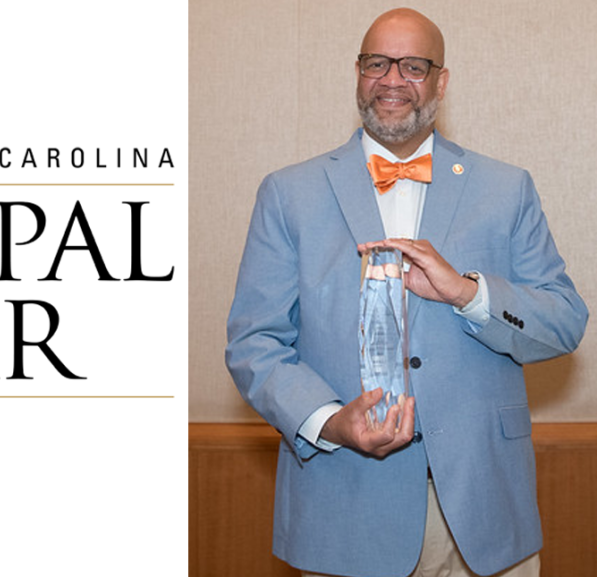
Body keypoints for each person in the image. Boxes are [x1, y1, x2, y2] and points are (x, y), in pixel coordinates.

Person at [225, 8, 588, 577]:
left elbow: (564, 322)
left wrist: (468, 293)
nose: (392, 80)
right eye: (378, 63)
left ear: (441, 81)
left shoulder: (507, 188)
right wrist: (329, 421)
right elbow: (255, 343)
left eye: (413, 65)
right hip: (343, 508)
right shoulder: (287, 193)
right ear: (358, 73)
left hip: (483, 514)